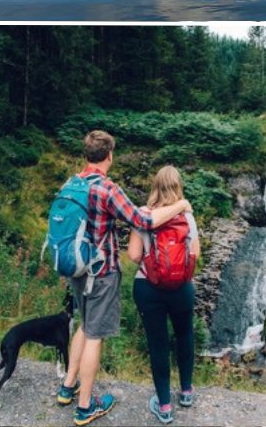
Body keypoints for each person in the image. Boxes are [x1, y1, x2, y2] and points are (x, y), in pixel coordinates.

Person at [57, 131, 192, 426]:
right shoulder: (107, 189)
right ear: (109, 156)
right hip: (101, 272)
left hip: (75, 268)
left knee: (84, 324)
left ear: (86, 154)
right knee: (95, 335)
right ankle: (84, 407)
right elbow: (143, 221)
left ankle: (68, 387)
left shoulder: (71, 183)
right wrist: (180, 206)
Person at [128, 165, 200, 425]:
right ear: (178, 186)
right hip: (181, 288)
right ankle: (187, 393)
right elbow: (195, 254)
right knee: (185, 335)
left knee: (158, 343)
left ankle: (165, 406)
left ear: (155, 186)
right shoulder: (187, 215)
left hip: (149, 287)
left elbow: (134, 255)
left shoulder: (143, 215)